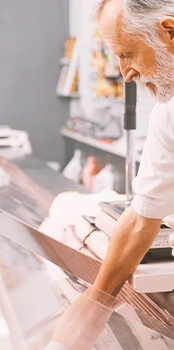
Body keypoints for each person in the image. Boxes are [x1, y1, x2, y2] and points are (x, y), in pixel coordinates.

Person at [46, 1, 174, 348]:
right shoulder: (168, 112)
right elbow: (140, 218)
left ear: (170, 32)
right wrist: (95, 304)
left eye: (129, 54)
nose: (125, 73)